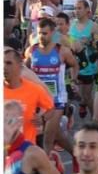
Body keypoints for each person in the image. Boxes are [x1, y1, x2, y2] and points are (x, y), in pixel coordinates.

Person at [24, 18, 78, 154]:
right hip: (38, 101)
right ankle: (76, 155)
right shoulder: (31, 51)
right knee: (58, 135)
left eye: (45, 33)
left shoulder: (62, 51)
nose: (41, 37)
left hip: (57, 100)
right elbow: (24, 71)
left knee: (47, 137)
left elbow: (74, 64)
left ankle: (45, 169)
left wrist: (73, 80)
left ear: (53, 33)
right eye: (39, 33)